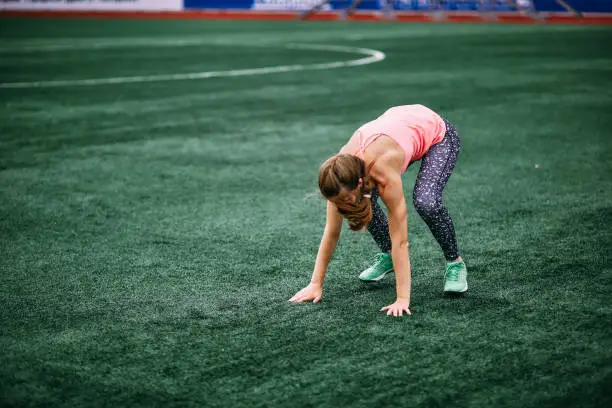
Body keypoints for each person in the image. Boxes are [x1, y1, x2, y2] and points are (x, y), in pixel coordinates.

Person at [288, 105, 467, 317]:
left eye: (344, 199)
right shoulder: (338, 175)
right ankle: (388, 255)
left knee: (426, 201)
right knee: (362, 202)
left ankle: (455, 262)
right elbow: (331, 231)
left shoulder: (383, 172)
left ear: (360, 182)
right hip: (400, 127)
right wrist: (315, 284)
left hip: (437, 134)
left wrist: (402, 299)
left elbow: (401, 239)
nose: (341, 206)